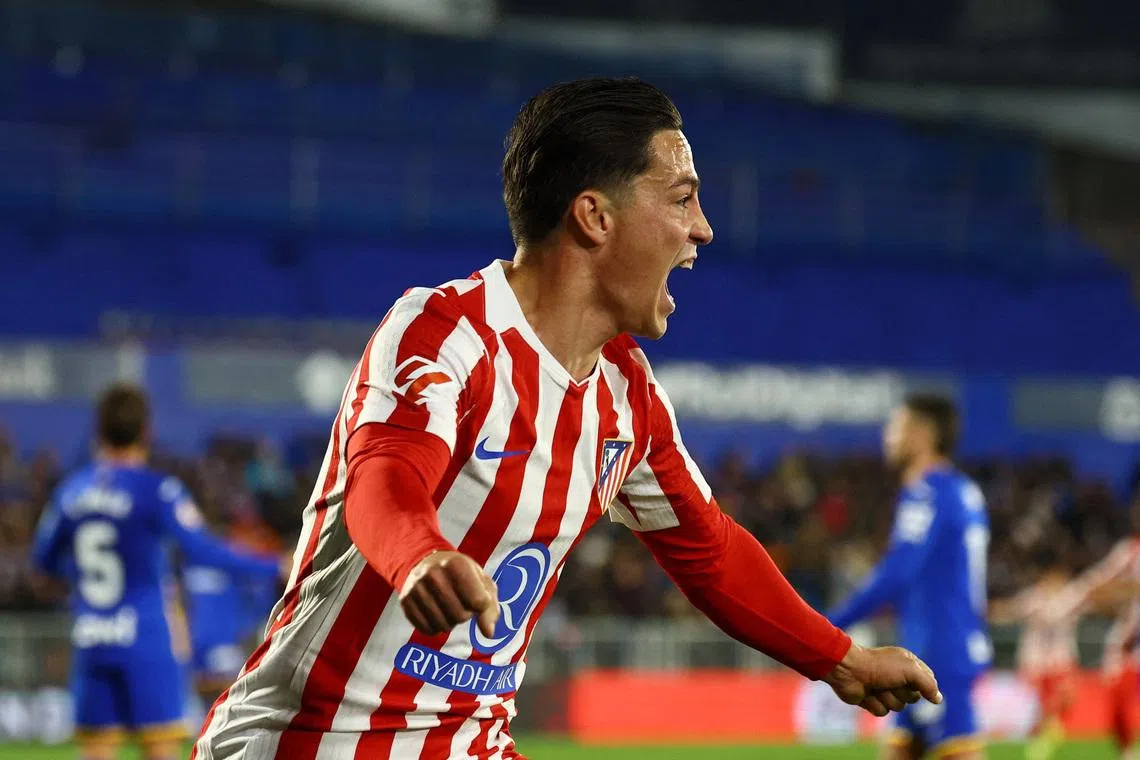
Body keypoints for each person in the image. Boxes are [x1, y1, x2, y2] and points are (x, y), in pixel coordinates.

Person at [195, 77, 941, 760]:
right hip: (314, 743)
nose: (703, 229)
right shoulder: (448, 332)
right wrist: (420, 554)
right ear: (594, 216)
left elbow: (710, 550)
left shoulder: (629, 395)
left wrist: (840, 659)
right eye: (681, 199)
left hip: (470, 744)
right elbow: (384, 475)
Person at [31, 384, 283, 760]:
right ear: (146, 431)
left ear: (98, 431)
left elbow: (44, 562)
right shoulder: (158, 491)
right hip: (147, 640)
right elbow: (203, 551)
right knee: (161, 750)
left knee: (96, 752)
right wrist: (274, 564)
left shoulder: (71, 493)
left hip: (92, 639)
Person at [828, 394, 990, 760]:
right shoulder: (961, 490)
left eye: (895, 427)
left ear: (921, 435)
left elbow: (896, 573)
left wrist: (828, 625)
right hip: (936, 645)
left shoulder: (928, 492)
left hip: (939, 651)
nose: (887, 437)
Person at [1052, 516, 1140, 760]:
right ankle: (1127, 752)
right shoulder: (1130, 551)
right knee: (1117, 694)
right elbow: (1100, 582)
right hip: (1129, 643)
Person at [989, 553, 1078, 760]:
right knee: (1045, 707)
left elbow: (1088, 602)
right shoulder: (1034, 598)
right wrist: (994, 610)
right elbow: (1012, 610)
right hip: (1037, 662)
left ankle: (1043, 739)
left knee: (1064, 702)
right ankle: (1041, 744)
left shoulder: (1070, 596)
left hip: (1061, 660)